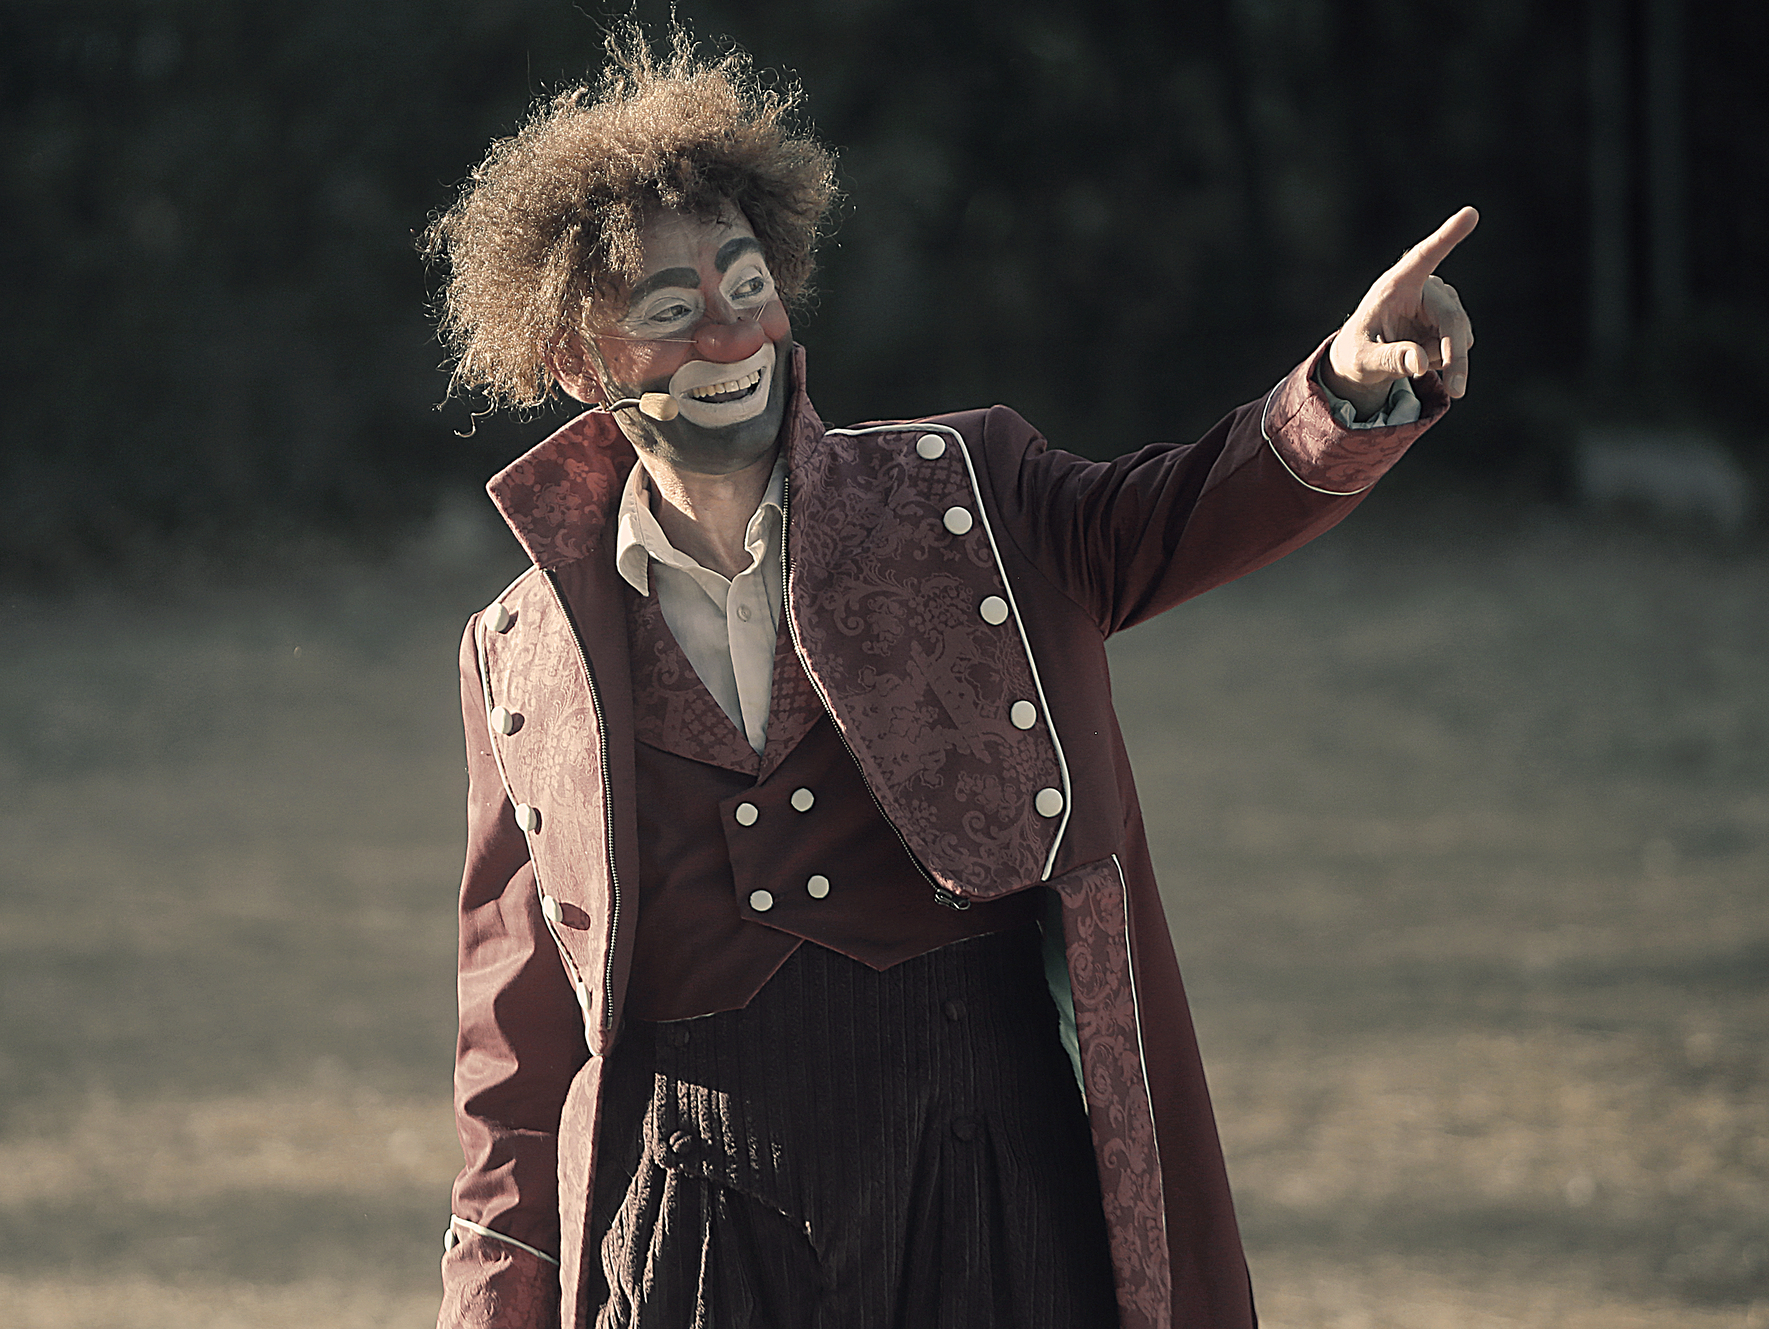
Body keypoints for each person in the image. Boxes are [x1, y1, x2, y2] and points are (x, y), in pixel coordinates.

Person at [424, 26, 1474, 1329]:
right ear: (575, 361)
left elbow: (1174, 515)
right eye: (672, 309)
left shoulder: (967, 492)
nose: (731, 334)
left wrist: (1347, 389)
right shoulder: (517, 650)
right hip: (698, 1229)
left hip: (984, 1180)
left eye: (747, 284)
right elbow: (513, 1050)